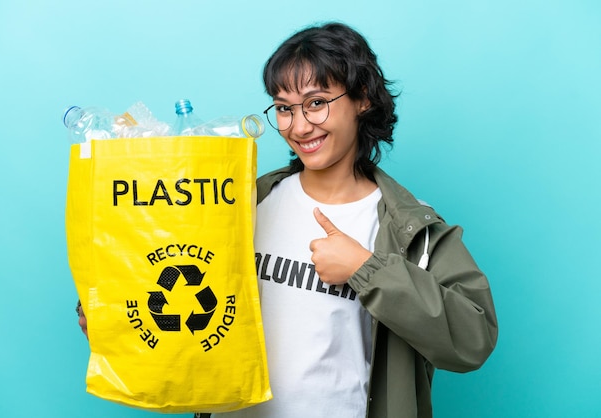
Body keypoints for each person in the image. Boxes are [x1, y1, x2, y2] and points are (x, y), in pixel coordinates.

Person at [78, 22, 497, 418]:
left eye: (316, 103)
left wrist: (365, 270)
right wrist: (115, 318)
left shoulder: (410, 229)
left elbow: (472, 341)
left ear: (363, 97)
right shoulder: (243, 202)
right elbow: (184, 293)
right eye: (283, 108)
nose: (298, 126)